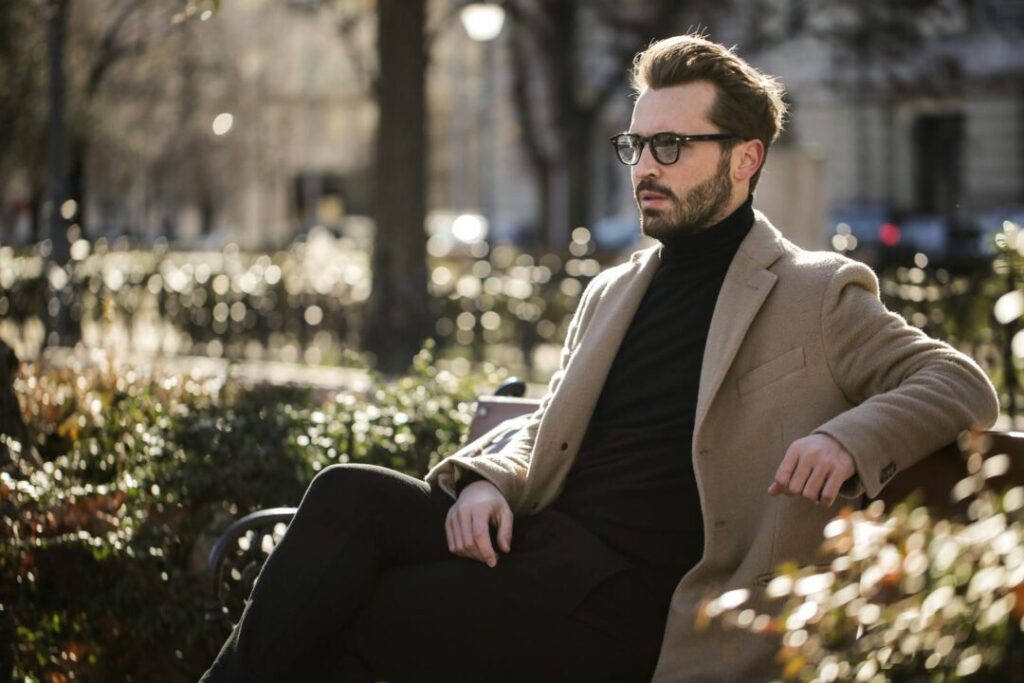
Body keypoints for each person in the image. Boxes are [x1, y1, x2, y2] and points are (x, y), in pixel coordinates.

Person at [201, 34, 998, 682]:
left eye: (672, 145)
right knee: (346, 496)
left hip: (638, 608)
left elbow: (960, 383)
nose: (645, 167)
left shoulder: (815, 293)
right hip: (542, 553)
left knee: (352, 620)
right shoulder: (614, 290)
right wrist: (489, 478)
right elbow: (552, 418)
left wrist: (847, 437)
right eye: (638, 144)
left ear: (745, 159)